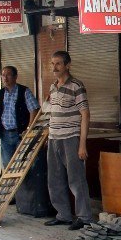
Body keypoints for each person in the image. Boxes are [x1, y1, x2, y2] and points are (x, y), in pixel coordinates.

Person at [45, 51, 92, 229]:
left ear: (67, 65)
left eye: (58, 64)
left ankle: (84, 217)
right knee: (54, 179)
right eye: (52, 64)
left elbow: (85, 114)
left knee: (76, 179)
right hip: (53, 138)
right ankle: (63, 214)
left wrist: (82, 145)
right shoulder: (53, 87)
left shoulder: (76, 86)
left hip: (71, 138)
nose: (54, 68)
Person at [0, 65, 40, 169]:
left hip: (20, 134)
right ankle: (12, 186)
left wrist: (29, 129)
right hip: (5, 135)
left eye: (8, 75)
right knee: (8, 165)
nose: (5, 78)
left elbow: (34, 109)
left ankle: (25, 185)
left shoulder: (24, 91)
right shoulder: (0, 94)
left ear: (15, 76)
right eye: (3, 75)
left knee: (23, 164)